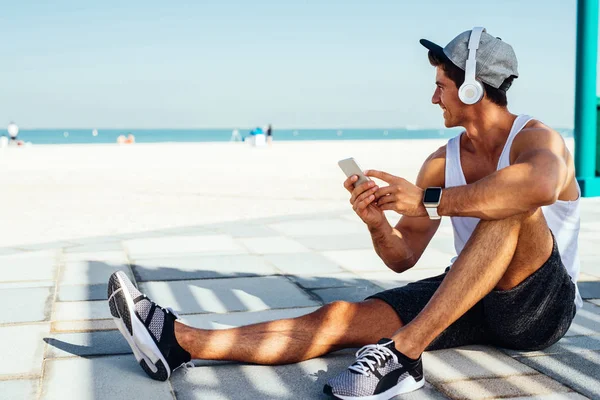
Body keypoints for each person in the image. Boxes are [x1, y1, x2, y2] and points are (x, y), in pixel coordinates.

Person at [107, 27, 581, 399]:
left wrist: (427, 201)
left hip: (541, 309)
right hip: (472, 296)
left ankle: (403, 356)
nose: (433, 98)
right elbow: (402, 257)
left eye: (441, 86)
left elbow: (536, 185)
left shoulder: (537, 140)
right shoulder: (442, 160)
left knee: (510, 205)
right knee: (339, 317)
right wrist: (377, 224)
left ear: (473, 89)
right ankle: (177, 340)